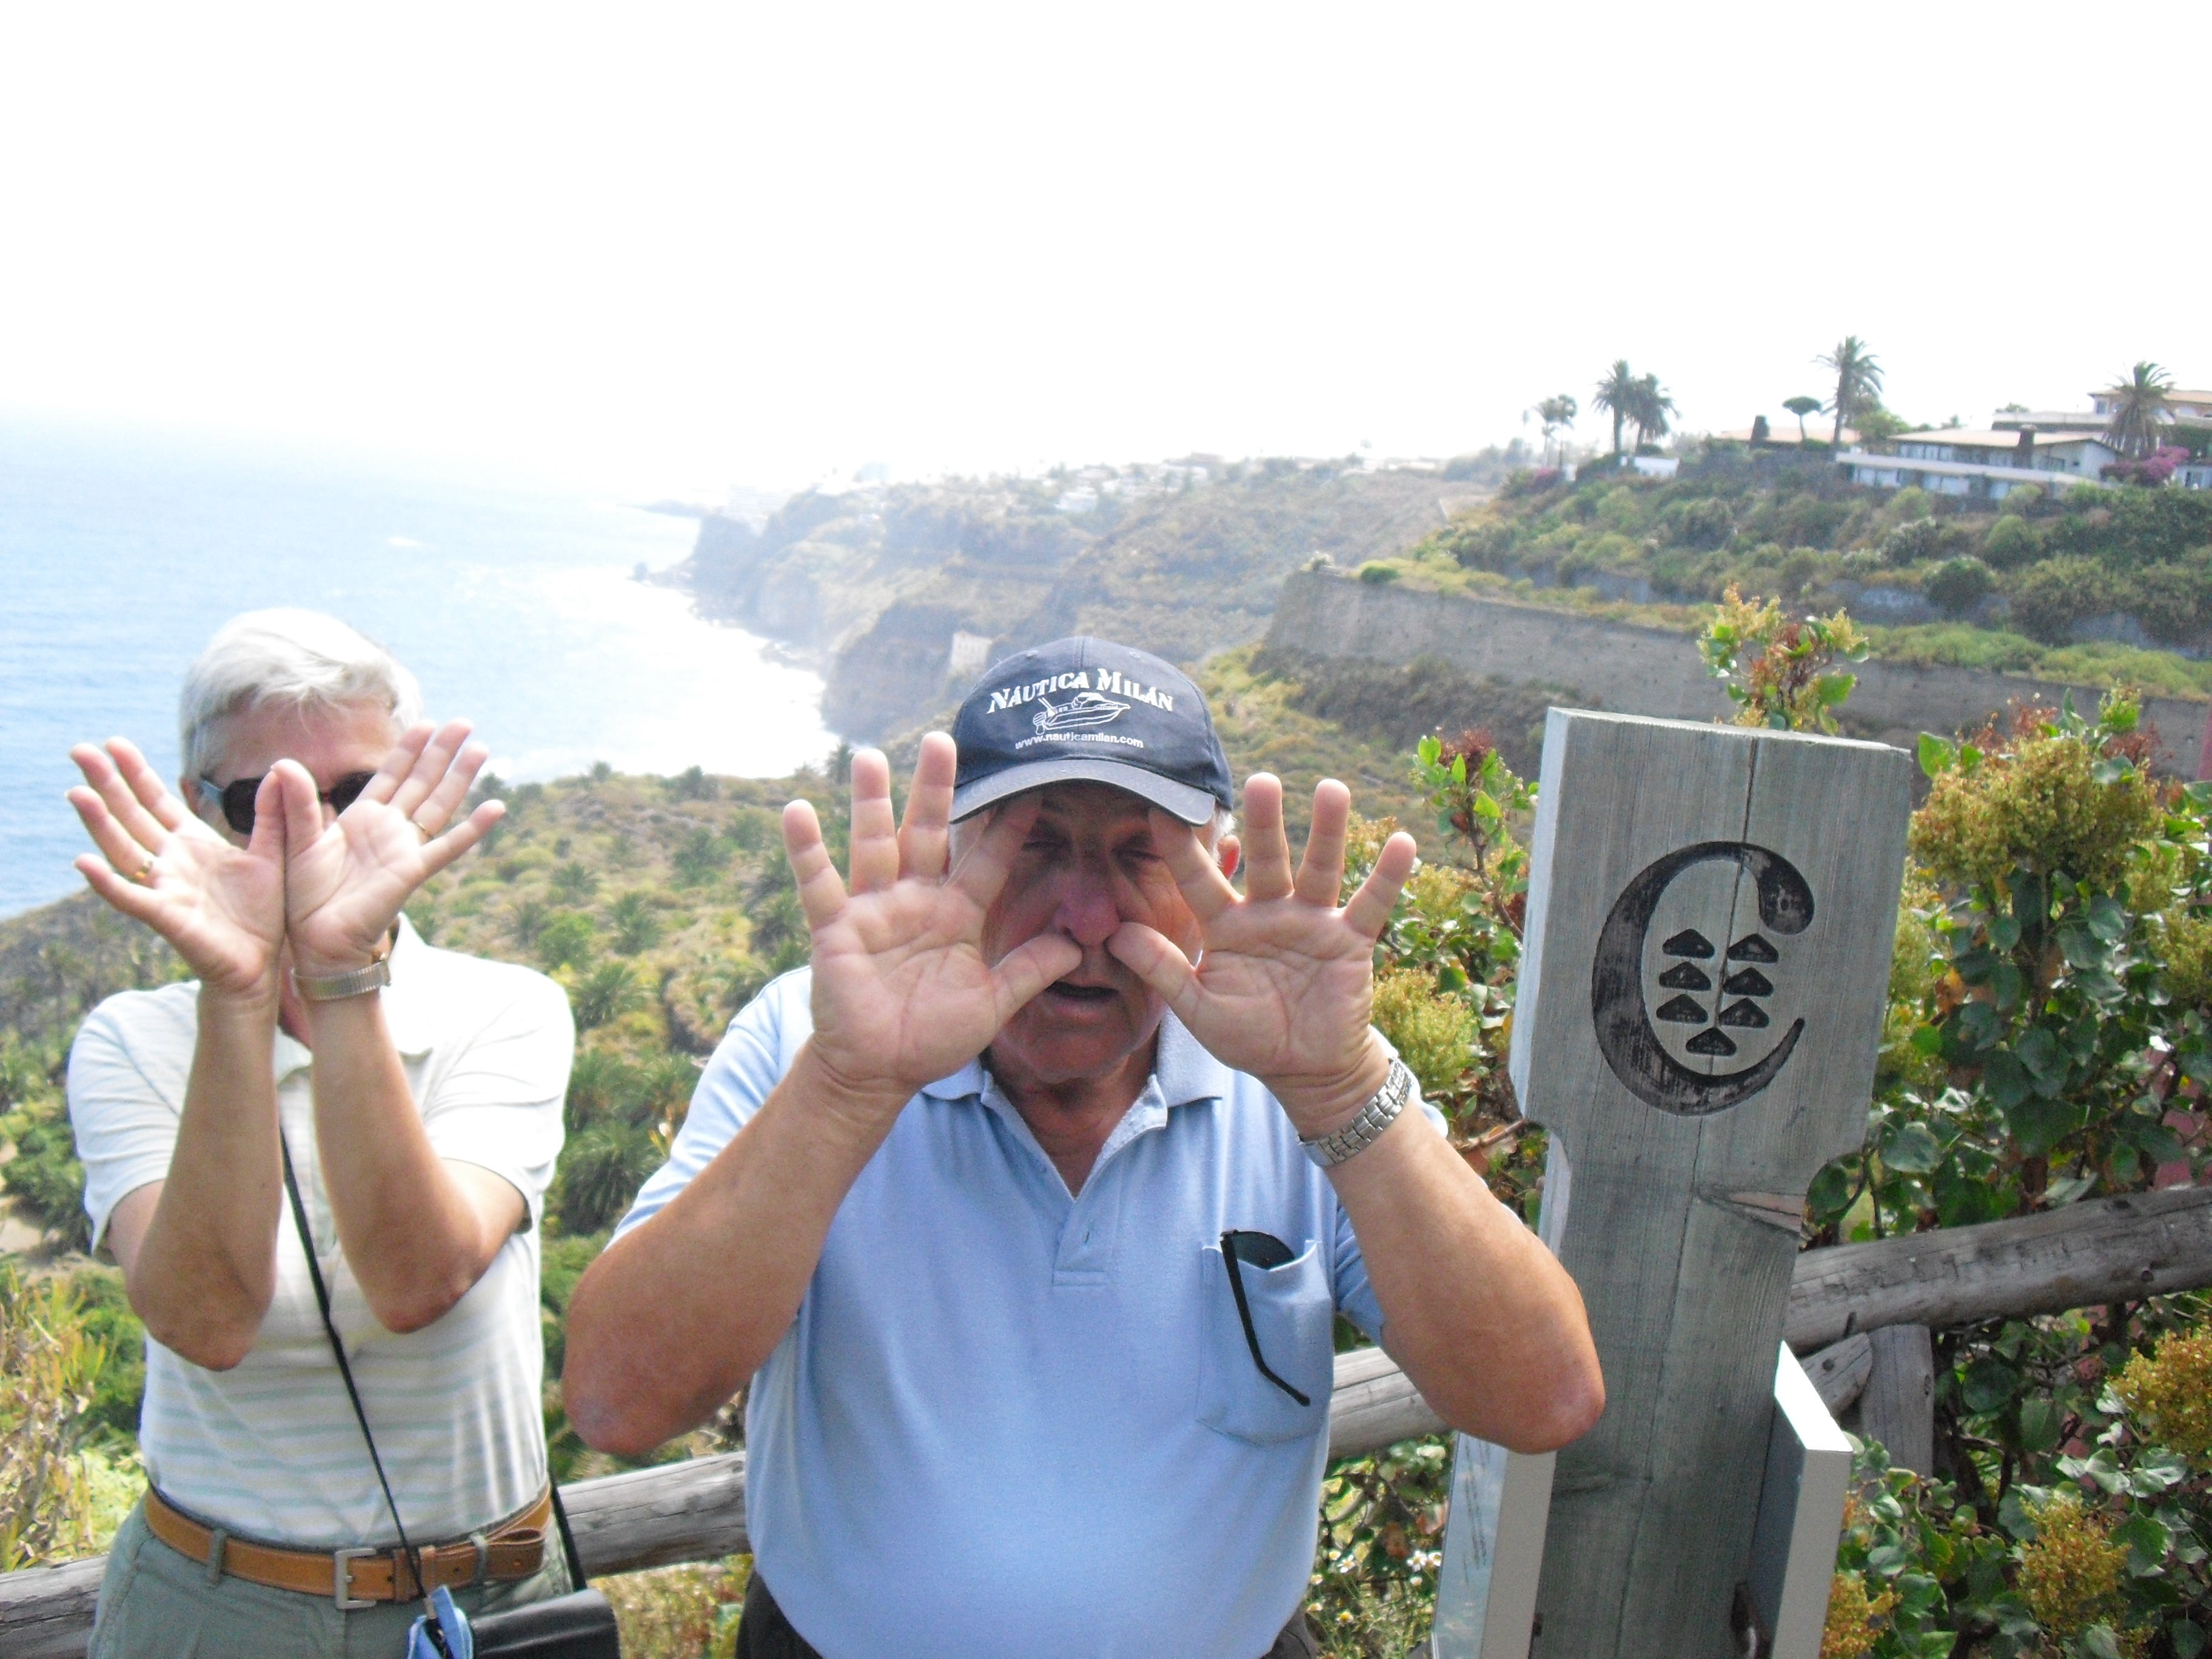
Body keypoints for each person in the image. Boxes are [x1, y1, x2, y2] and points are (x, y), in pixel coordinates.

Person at [564, 637, 1603, 1659]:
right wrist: (848, 1089)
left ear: (1220, 879)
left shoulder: (1303, 1065)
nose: (1088, 914)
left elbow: (1543, 1396)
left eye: (1139, 853)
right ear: (950, 856)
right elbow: (619, 1400)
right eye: (1036, 846)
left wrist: (1340, 1093)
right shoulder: (811, 1040)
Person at [64, 609, 577, 1656]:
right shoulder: (132, 1043)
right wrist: (239, 996)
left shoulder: (509, 1012)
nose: (319, 830)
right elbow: (205, 1322)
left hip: (497, 1598)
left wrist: (343, 978)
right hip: (222, 1606)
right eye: (265, 802)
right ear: (205, 812)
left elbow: (416, 1279)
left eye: (360, 793)